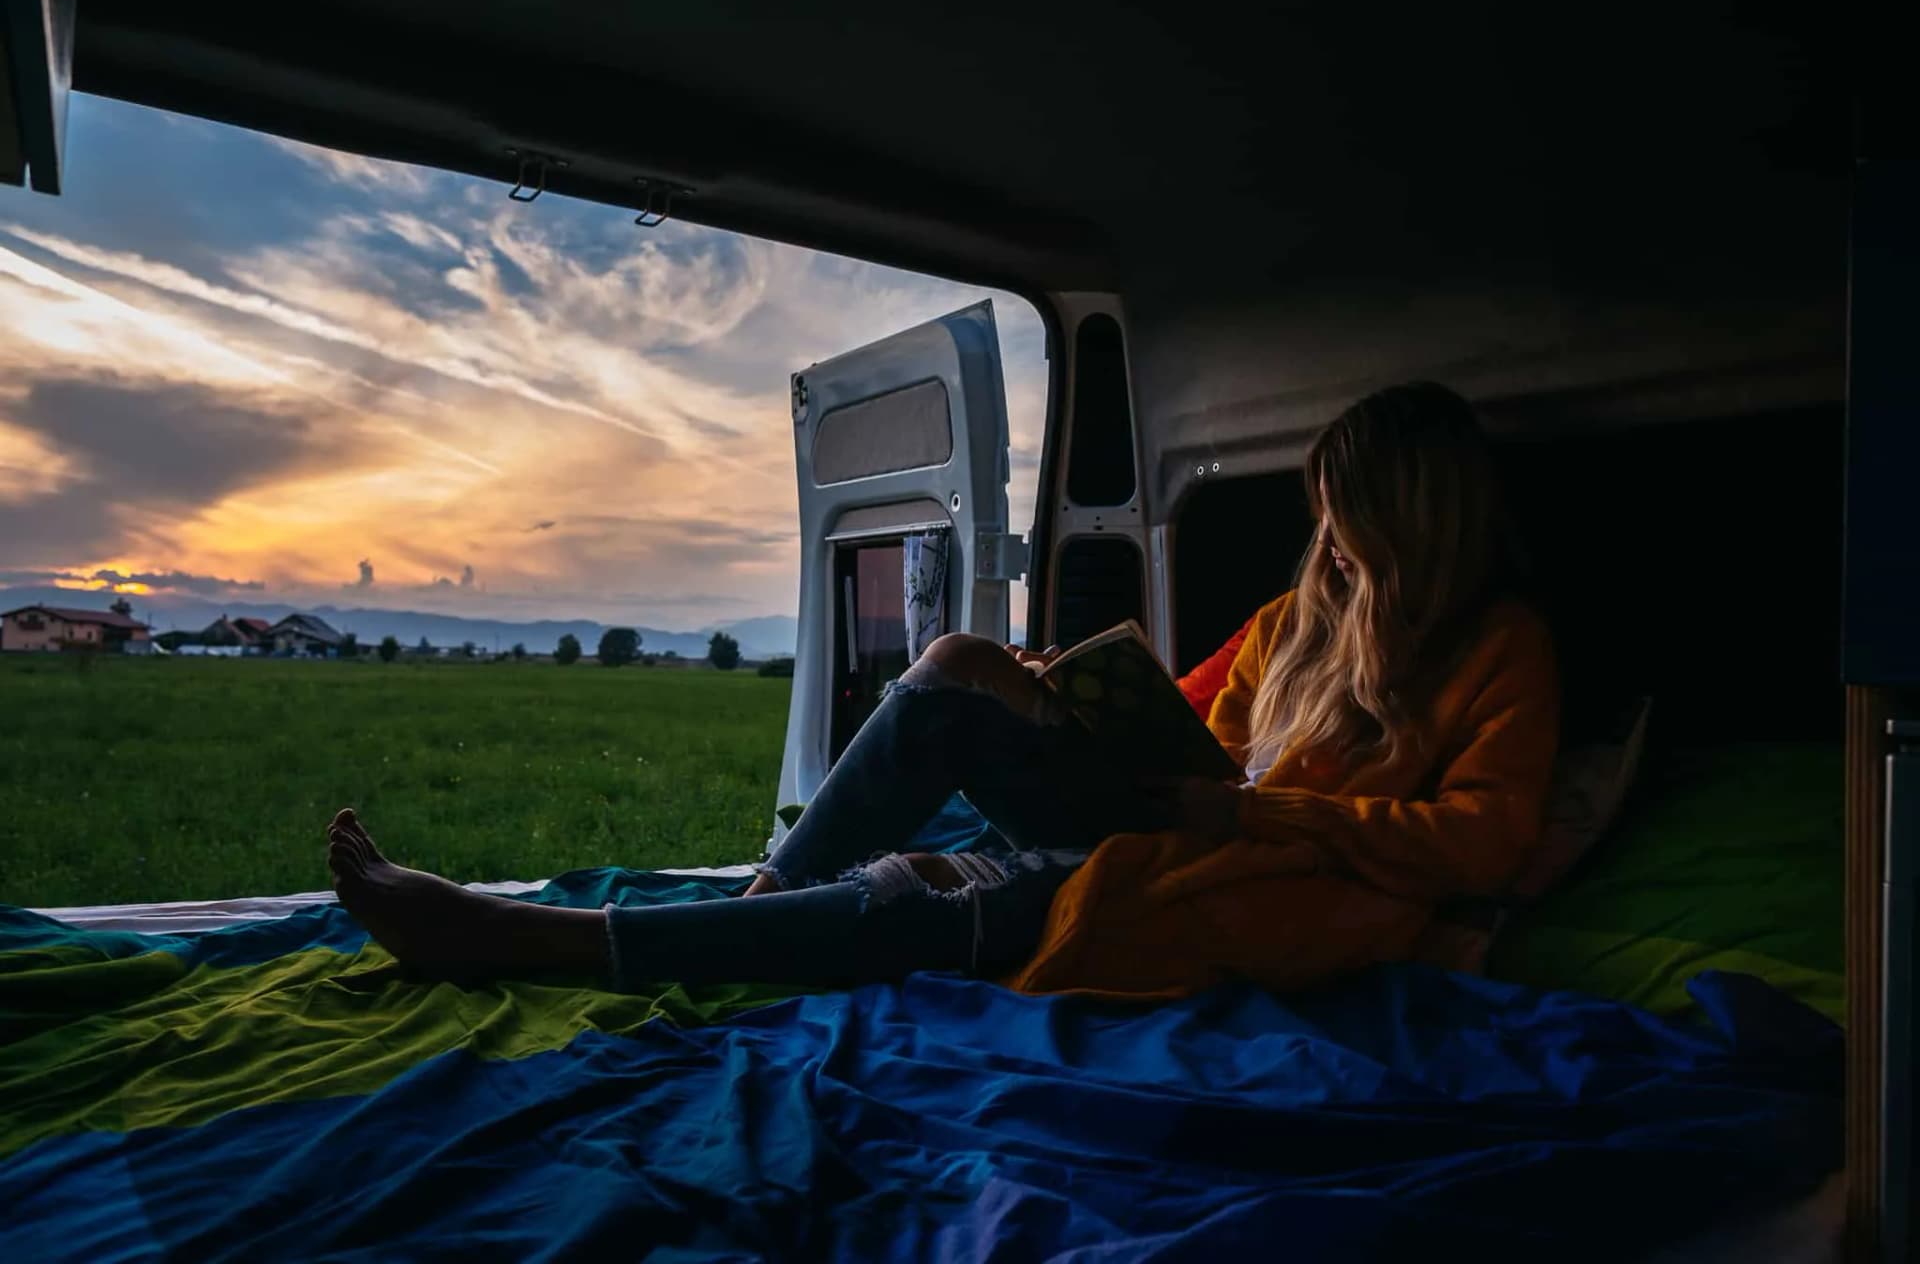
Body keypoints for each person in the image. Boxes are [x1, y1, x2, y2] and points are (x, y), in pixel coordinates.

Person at [326, 381, 1560, 998]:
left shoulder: (1496, 649)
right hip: (1179, 817)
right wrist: (1068, 695)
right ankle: (770, 891)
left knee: (928, 907)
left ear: (1415, 520)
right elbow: (1191, 714)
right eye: (1326, 520)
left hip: (1263, 871)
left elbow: (1481, 840)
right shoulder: (1300, 615)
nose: (1329, 544)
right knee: (966, 661)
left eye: (1350, 523)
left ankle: (525, 938)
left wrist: (1250, 815)